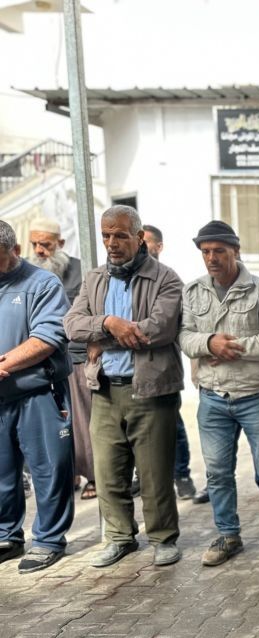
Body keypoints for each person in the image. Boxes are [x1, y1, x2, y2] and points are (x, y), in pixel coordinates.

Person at [64, 205, 184, 568]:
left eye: (120, 235)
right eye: (106, 235)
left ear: (139, 237)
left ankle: (163, 538)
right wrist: (108, 323)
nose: (111, 243)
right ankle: (119, 537)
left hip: (151, 389)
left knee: (154, 474)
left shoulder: (165, 278)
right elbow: (72, 324)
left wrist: (102, 339)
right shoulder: (94, 278)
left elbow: (158, 329)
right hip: (104, 390)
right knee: (108, 472)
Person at [179, 221, 259, 567]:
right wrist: (208, 342)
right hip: (213, 397)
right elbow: (184, 336)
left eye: (219, 251)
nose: (212, 258)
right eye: (206, 252)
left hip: (257, 395)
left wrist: (234, 347)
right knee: (217, 473)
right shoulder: (193, 291)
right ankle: (228, 535)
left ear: (236, 251)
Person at [0, 219, 75, 573]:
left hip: (38, 392)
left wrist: (5, 364)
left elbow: (47, 337)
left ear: (15, 251)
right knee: (2, 472)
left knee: (49, 468)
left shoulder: (42, 283)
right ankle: (6, 535)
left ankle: (48, 539)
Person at [27, 217, 94, 500]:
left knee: (83, 419)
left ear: (61, 243)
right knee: (55, 424)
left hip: (75, 357)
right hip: (41, 363)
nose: (39, 250)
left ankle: (94, 476)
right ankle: (70, 473)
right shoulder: (29, 274)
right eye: (34, 244)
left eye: (45, 244)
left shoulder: (81, 271)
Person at [137, 225, 197, 501]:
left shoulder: (168, 279)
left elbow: (168, 325)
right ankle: (141, 476)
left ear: (159, 246)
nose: (141, 245)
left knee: (173, 424)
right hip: (133, 369)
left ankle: (181, 475)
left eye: (147, 241)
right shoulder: (126, 279)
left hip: (162, 368)